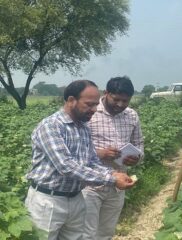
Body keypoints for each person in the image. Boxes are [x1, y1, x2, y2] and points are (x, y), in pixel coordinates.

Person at [25, 80, 135, 240]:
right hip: (49, 201)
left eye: (96, 104)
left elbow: (91, 161)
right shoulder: (51, 126)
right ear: (71, 100)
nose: (95, 109)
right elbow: (66, 166)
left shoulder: (83, 128)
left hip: (76, 198)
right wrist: (111, 178)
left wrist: (114, 173)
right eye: (89, 104)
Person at [83, 76, 144, 239]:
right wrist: (100, 153)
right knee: (86, 233)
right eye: (116, 99)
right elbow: (77, 149)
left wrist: (137, 158)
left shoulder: (132, 115)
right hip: (90, 184)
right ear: (106, 93)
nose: (120, 105)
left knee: (106, 232)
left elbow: (139, 144)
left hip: (118, 184)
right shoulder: (90, 112)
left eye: (125, 101)